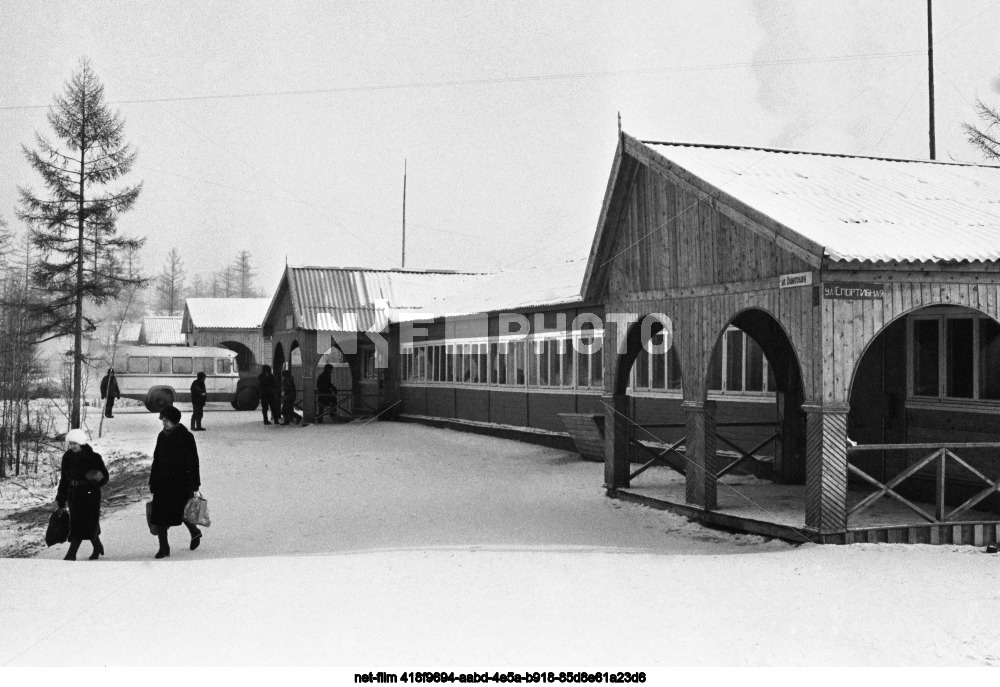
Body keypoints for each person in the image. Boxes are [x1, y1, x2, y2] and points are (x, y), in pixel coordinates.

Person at [149, 405, 203, 559]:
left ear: (174, 421)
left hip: (180, 482)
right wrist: (152, 481)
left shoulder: (186, 437)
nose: (163, 423)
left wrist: (195, 484)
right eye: (162, 420)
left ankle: (195, 532)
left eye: (166, 420)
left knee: (181, 512)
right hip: (162, 482)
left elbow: (194, 461)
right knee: (159, 515)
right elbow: (156, 460)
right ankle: (163, 547)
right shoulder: (161, 436)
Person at [55, 428, 109, 561]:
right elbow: (64, 479)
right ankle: (97, 546)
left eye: (75, 443)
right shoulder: (67, 457)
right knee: (80, 522)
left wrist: (93, 480)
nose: (72, 446)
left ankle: (71, 554)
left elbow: (104, 477)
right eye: (71, 443)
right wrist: (61, 498)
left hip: (90, 494)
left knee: (82, 523)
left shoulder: (94, 457)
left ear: (81, 443)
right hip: (73, 493)